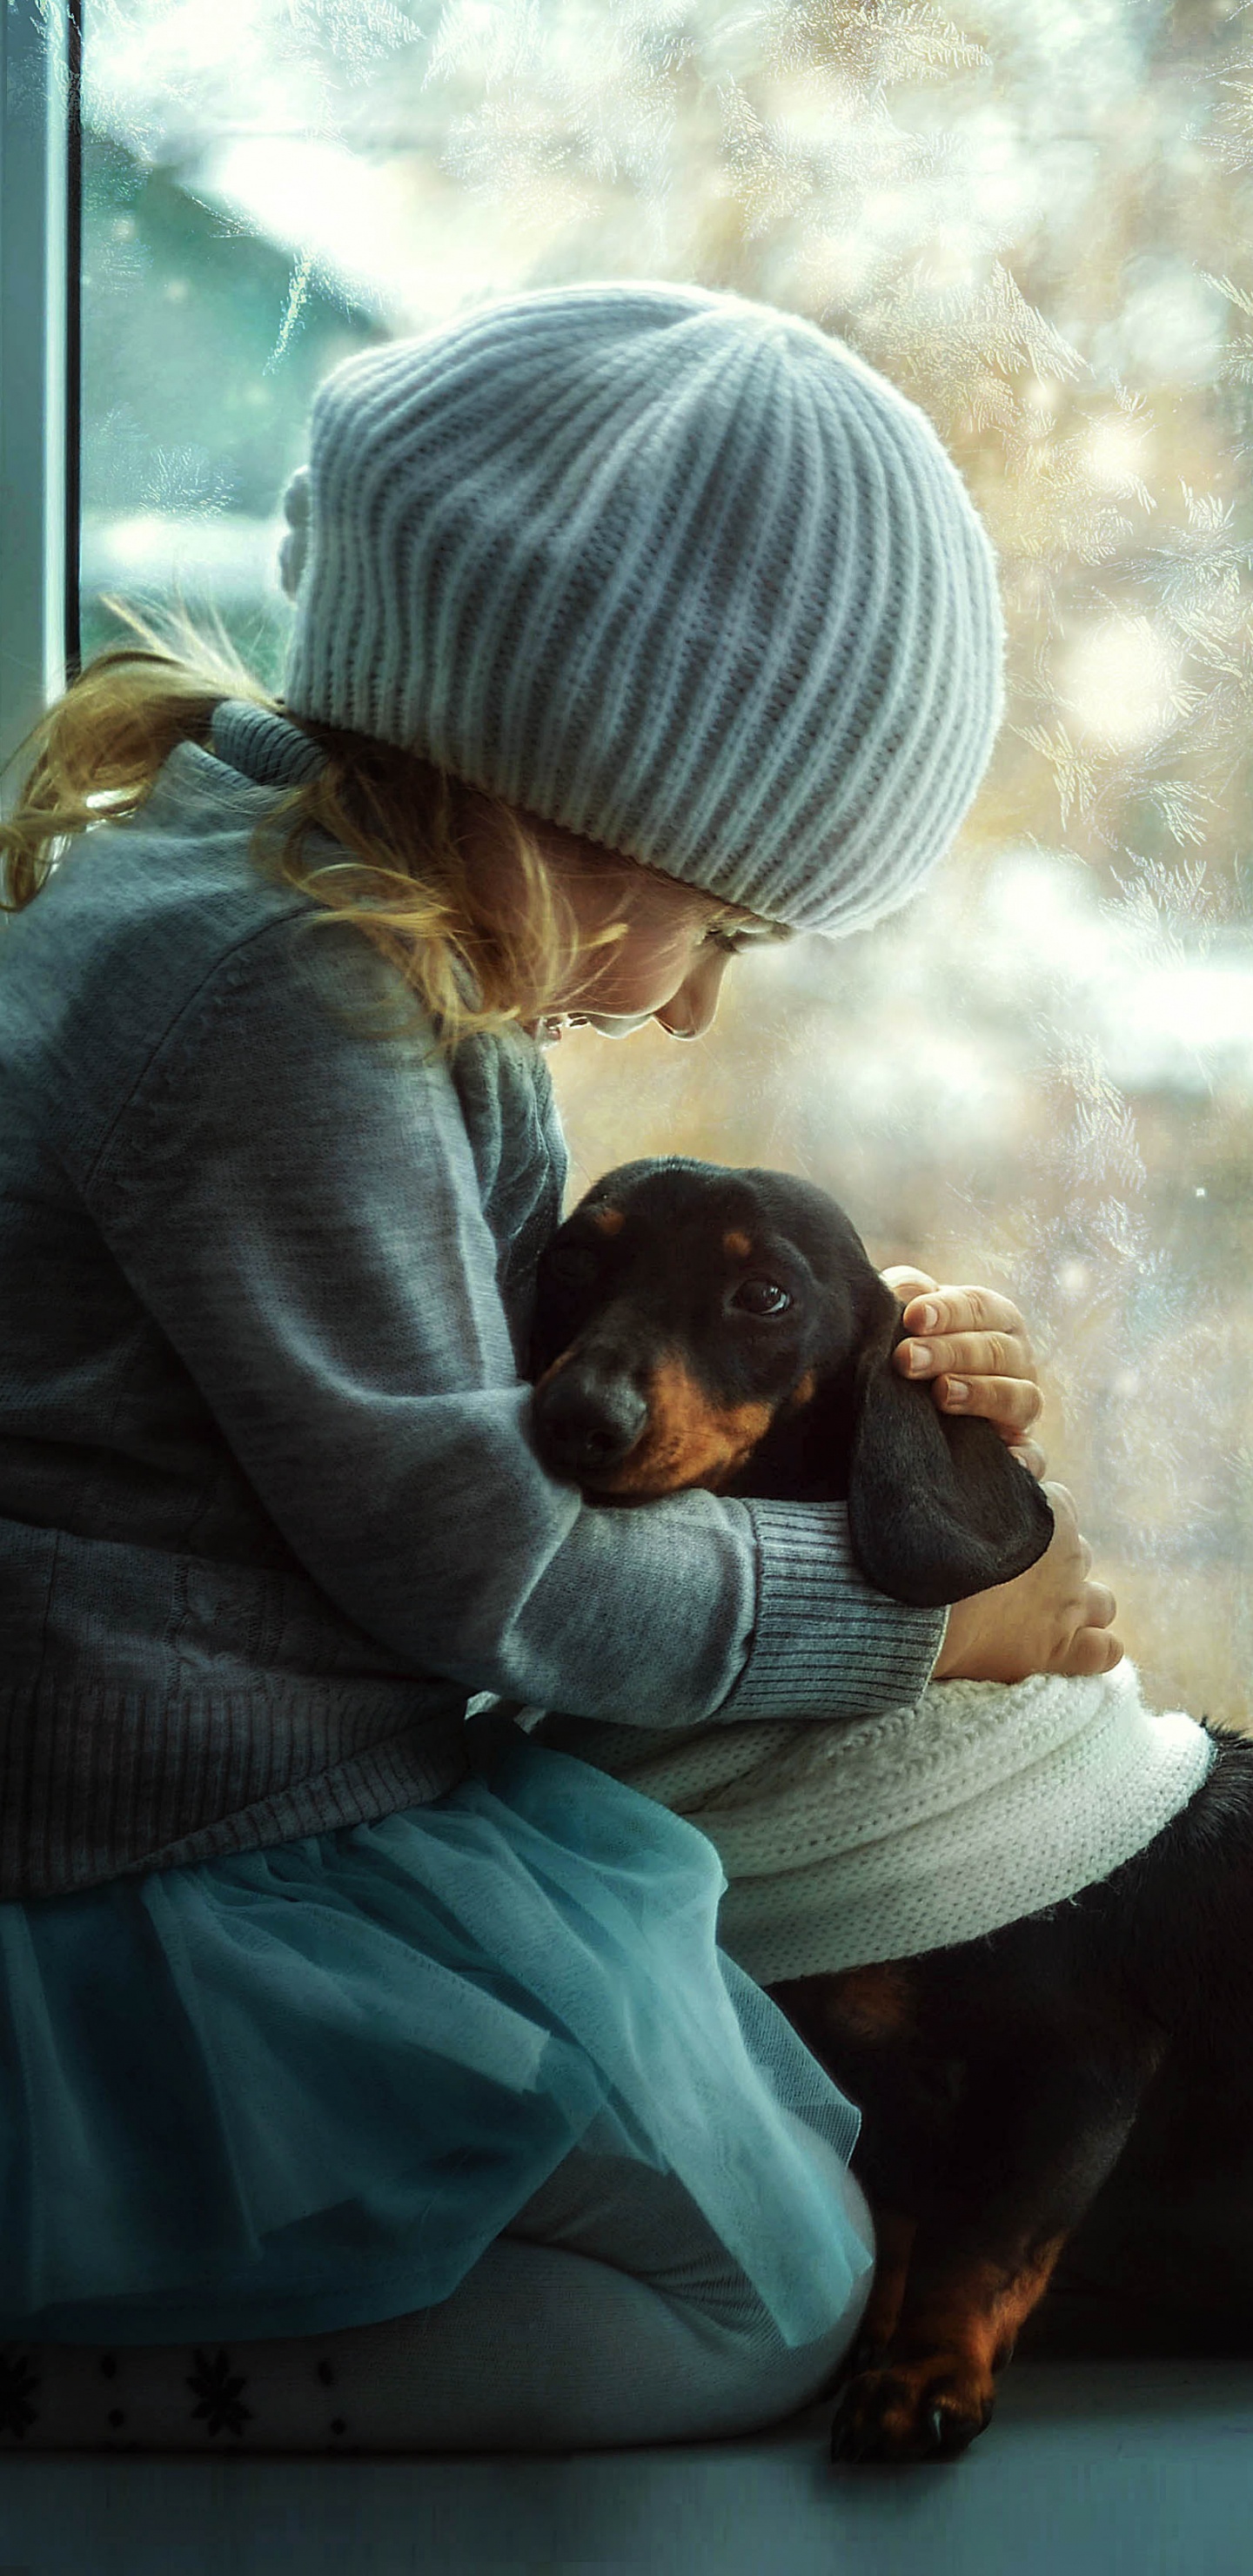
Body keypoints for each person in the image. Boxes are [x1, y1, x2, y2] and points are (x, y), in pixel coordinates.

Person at [0, 282, 1119, 2454]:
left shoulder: (306, 934)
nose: (695, 1011)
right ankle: (100, 2404)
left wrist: (854, 1350)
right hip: (167, 1852)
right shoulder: (278, 1003)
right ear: (583, 805)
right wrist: (925, 1631)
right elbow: (492, 1566)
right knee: (766, 2284)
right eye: (721, 927)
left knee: (768, 2195)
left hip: (245, 1782)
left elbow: (504, 1373)